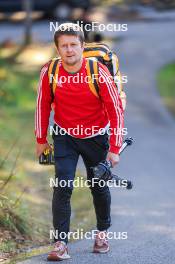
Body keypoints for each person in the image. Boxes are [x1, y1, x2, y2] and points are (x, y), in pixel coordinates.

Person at [35, 23, 124, 261]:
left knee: (98, 185)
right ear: (57, 49)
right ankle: (60, 243)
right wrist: (41, 139)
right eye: (64, 45)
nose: (69, 50)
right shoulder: (50, 71)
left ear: (82, 46)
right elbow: (42, 105)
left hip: (96, 136)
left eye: (74, 44)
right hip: (65, 135)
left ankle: (102, 232)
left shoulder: (97, 72)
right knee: (62, 187)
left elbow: (115, 110)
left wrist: (115, 148)